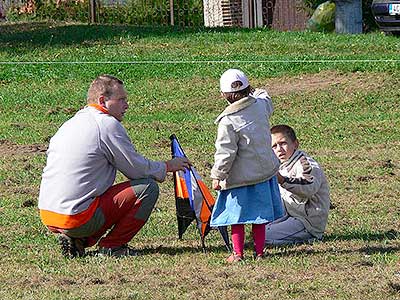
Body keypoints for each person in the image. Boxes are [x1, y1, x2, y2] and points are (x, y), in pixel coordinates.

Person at [38, 75, 190, 258]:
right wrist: (167, 166)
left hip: (48, 214)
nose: (126, 105)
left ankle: (78, 240)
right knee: (147, 189)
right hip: (75, 217)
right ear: (103, 101)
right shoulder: (106, 124)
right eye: (121, 100)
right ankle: (113, 246)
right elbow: (137, 170)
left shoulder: (72, 122)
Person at [210, 69, 284, 262]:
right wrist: (257, 91)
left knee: (237, 218)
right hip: (262, 174)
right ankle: (260, 252)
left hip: (240, 179)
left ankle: (238, 253)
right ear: (248, 89)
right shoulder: (260, 106)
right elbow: (265, 96)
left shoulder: (227, 121)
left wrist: (218, 175)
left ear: (223, 95)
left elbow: (225, 152)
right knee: (259, 218)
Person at [265, 124, 330, 246]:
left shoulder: (305, 163)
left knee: (263, 237)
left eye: (283, 143)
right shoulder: (279, 164)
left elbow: (309, 187)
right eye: (274, 146)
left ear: (295, 144)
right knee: (256, 231)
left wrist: (283, 180)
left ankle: (310, 238)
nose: (279, 149)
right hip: (289, 214)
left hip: (306, 221)